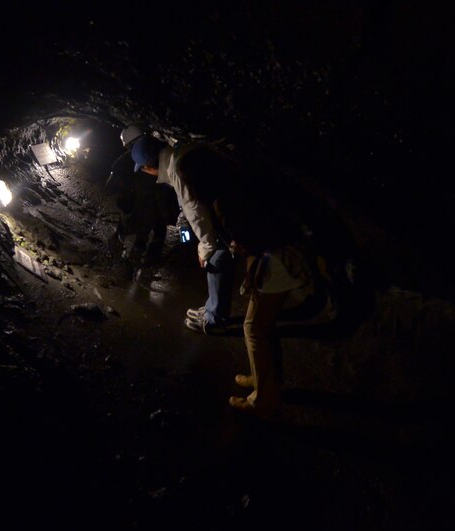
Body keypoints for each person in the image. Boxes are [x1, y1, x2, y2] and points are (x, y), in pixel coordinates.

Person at [176, 146, 322, 418]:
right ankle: (262, 378)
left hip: (278, 261)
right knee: (263, 327)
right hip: (281, 254)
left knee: (254, 329)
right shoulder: (237, 183)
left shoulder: (226, 202)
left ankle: (264, 398)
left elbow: (252, 237)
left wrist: (239, 247)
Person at [131, 135, 235, 334]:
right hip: (222, 207)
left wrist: (205, 247)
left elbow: (196, 211)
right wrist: (185, 233)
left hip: (227, 214)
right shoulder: (177, 154)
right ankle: (213, 307)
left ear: (148, 167)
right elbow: (186, 207)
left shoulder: (176, 171)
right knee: (209, 249)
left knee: (216, 258)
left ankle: (215, 319)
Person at [105, 126, 176, 265]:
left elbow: (113, 185)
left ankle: (140, 254)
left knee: (149, 223)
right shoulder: (157, 149)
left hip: (152, 199)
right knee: (157, 226)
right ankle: (146, 255)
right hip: (158, 199)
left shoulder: (135, 159)